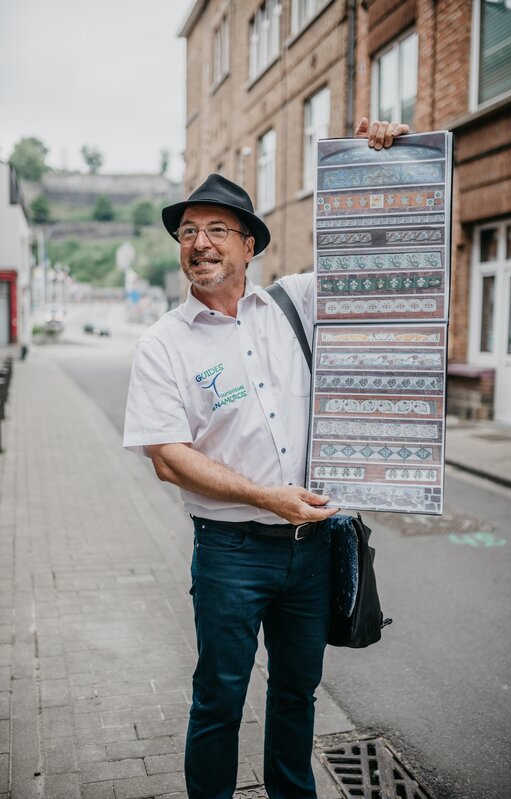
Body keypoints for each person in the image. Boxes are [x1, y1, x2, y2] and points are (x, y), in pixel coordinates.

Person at [123, 117, 408, 799]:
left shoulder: (297, 303)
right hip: (228, 550)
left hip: (311, 550)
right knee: (218, 697)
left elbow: (374, 255)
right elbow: (167, 456)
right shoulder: (164, 342)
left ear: (249, 245)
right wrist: (266, 497)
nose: (199, 242)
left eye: (217, 229)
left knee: (296, 695)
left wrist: (377, 166)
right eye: (188, 231)